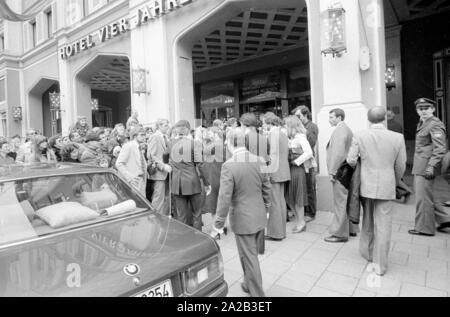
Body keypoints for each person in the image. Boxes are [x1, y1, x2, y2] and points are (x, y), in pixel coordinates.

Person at [211, 128, 271, 297]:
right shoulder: (259, 160)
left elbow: (224, 197)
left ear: (229, 143)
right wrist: (267, 208)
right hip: (258, 213)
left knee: (249, 256)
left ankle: (258, 294)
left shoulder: (228, 165)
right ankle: (247, 282)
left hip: (243, 218)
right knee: (248, 254)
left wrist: (218, 224)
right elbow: (267, 187)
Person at [347, 107, 406, 275]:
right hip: (387, 184)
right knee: (384, 224)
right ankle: (380, 265)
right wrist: (394, 179)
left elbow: (350, 160)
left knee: (367, 219)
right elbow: (401, 165)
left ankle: (368, 252)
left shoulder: (360, 135)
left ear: (368, 119)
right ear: (385, 119)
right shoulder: (398, 137)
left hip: (366, 183)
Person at [408, 98, 450, 236]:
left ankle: (424, 229)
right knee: (425, 195)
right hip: (421, 165)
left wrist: (431, 166)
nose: (423, 111)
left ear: (433, 109)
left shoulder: (435, 124)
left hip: (426, 167)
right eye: (420, 108)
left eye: (426, 108)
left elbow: (440, 148)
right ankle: (445, 219)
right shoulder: (423, 122)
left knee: (422, 198)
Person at [167, 120, 210, 230]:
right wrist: (206, 183)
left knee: (181, 215)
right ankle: (198, 237)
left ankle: (185, 239)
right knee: (197, 213)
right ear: (188, 130)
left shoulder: (171, 143)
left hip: (177, 183)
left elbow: (165, 157)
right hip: (192, 182)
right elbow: (200, 164)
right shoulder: (194, 143)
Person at [325, 108, 355, 243]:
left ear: (339, 118)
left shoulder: (340, 130)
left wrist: (332, 172)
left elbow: (337, 154)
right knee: (346, 201)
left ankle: (339, 234)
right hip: (345, 170)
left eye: (332, 117)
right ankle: (350, 229)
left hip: (339, 171)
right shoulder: (345, 129)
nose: (329, 119)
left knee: (340, 203)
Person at [262, 112, 291, 241]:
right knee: (280, 201)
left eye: (264, 123)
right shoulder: (283, 133)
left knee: (274, 202)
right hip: (284, 170)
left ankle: (275, 233)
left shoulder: (273, 134)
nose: (263, 125)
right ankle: (282, 231)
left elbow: (272, 155)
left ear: (269, 123)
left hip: (275, 171)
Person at [285, 116, 314, 233]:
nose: (285, 127)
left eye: (287, 125)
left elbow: (309, 153)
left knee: (298, 197)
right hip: (292, 169)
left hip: (297, 170)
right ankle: (299, 221)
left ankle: (301, 222)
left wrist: (296, 162)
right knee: (290, 197)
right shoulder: (293, 137)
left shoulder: (300, 137)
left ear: (292, 126)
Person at [293, 106, 319, 222]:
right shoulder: (302, 127)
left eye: (299, 116)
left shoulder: (311, 126)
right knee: (305, 187)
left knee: (309, 187)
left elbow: (311, 143)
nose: (297, 118)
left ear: (305, 115)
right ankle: (306, 211)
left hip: (307, 161)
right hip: (302, 162)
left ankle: (311, 213)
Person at [147, 118, 171, 215]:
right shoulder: (154, 137)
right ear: (159, 126)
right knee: (158, 198)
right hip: (159, 172)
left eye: (167, 125)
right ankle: (155, 219)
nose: (168, 127)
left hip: (167, 171)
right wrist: (163, 166)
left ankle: (163, 220)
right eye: (165, 125)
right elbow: (151, 155)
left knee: (166, 198)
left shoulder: (166, 137)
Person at [116, 127, 148, 195]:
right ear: (134, 136)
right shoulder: (128, 146)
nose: (144, 137)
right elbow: (119, 163)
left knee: (141, 203)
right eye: (141, 135)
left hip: (141, 180)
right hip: (133, 181)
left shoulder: (139, 147)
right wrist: (130, 177)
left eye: (144, 135)